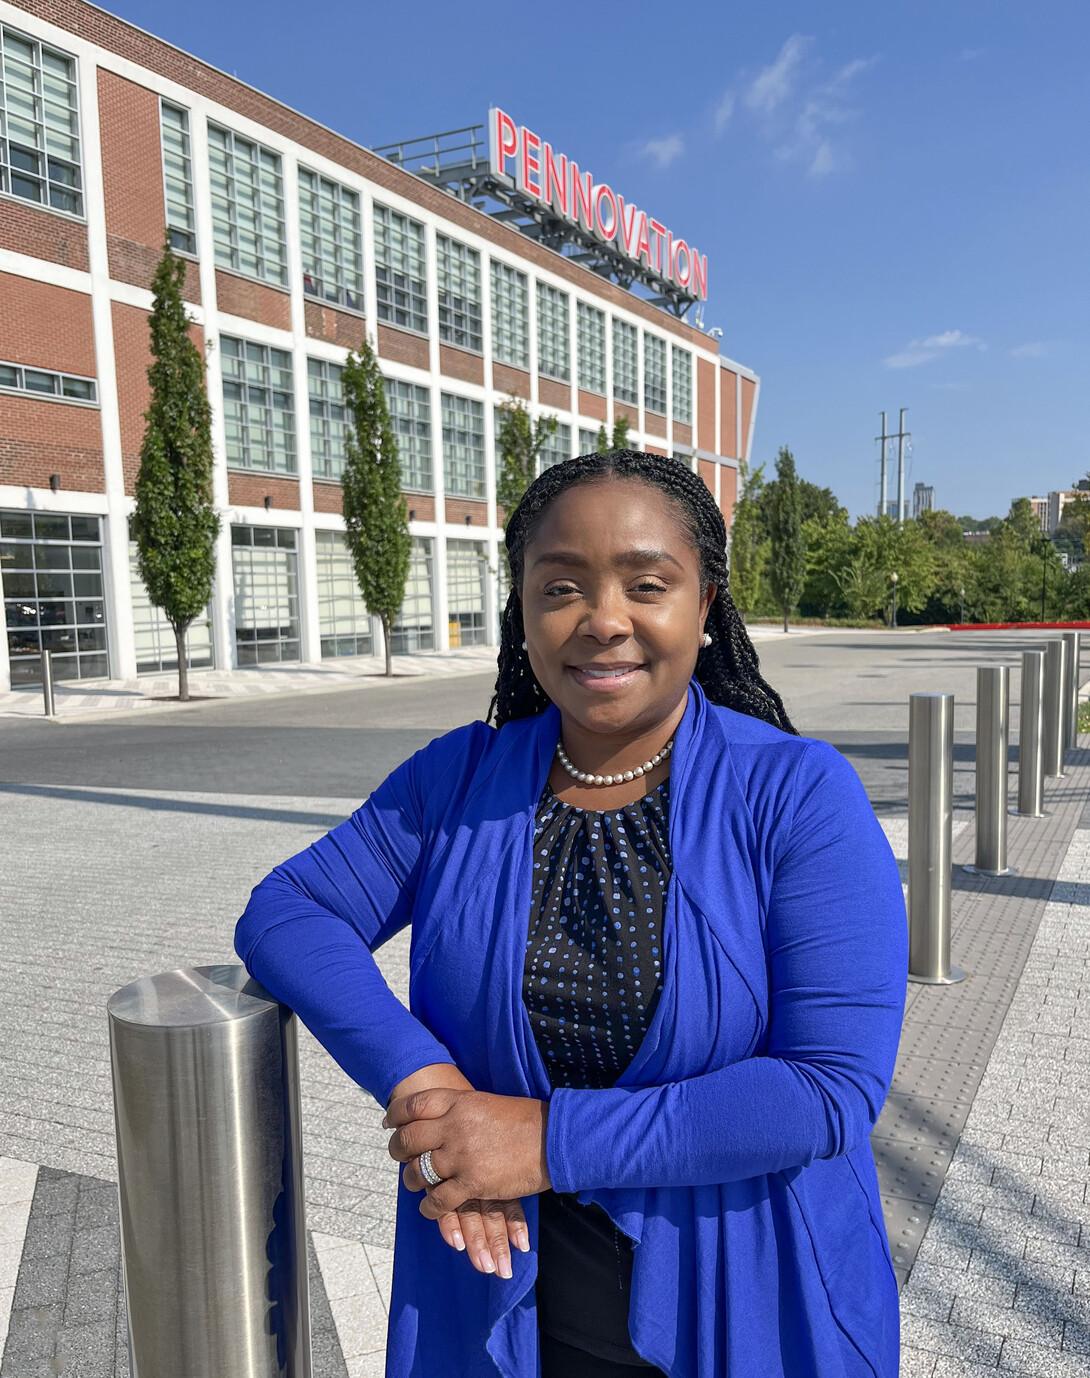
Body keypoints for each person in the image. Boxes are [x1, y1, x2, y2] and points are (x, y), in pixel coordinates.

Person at [236, 449, 907, 1378]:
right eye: (561, 587)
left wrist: (545, 1143)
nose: (603, 620)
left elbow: (829, 1087)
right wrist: (423, 1083)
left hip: (742, 1297)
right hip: (497, 1299)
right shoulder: (461, 778)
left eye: (646, 584)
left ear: (704, 607)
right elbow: (288, 911)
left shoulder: (794, 793)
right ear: (524, 612)